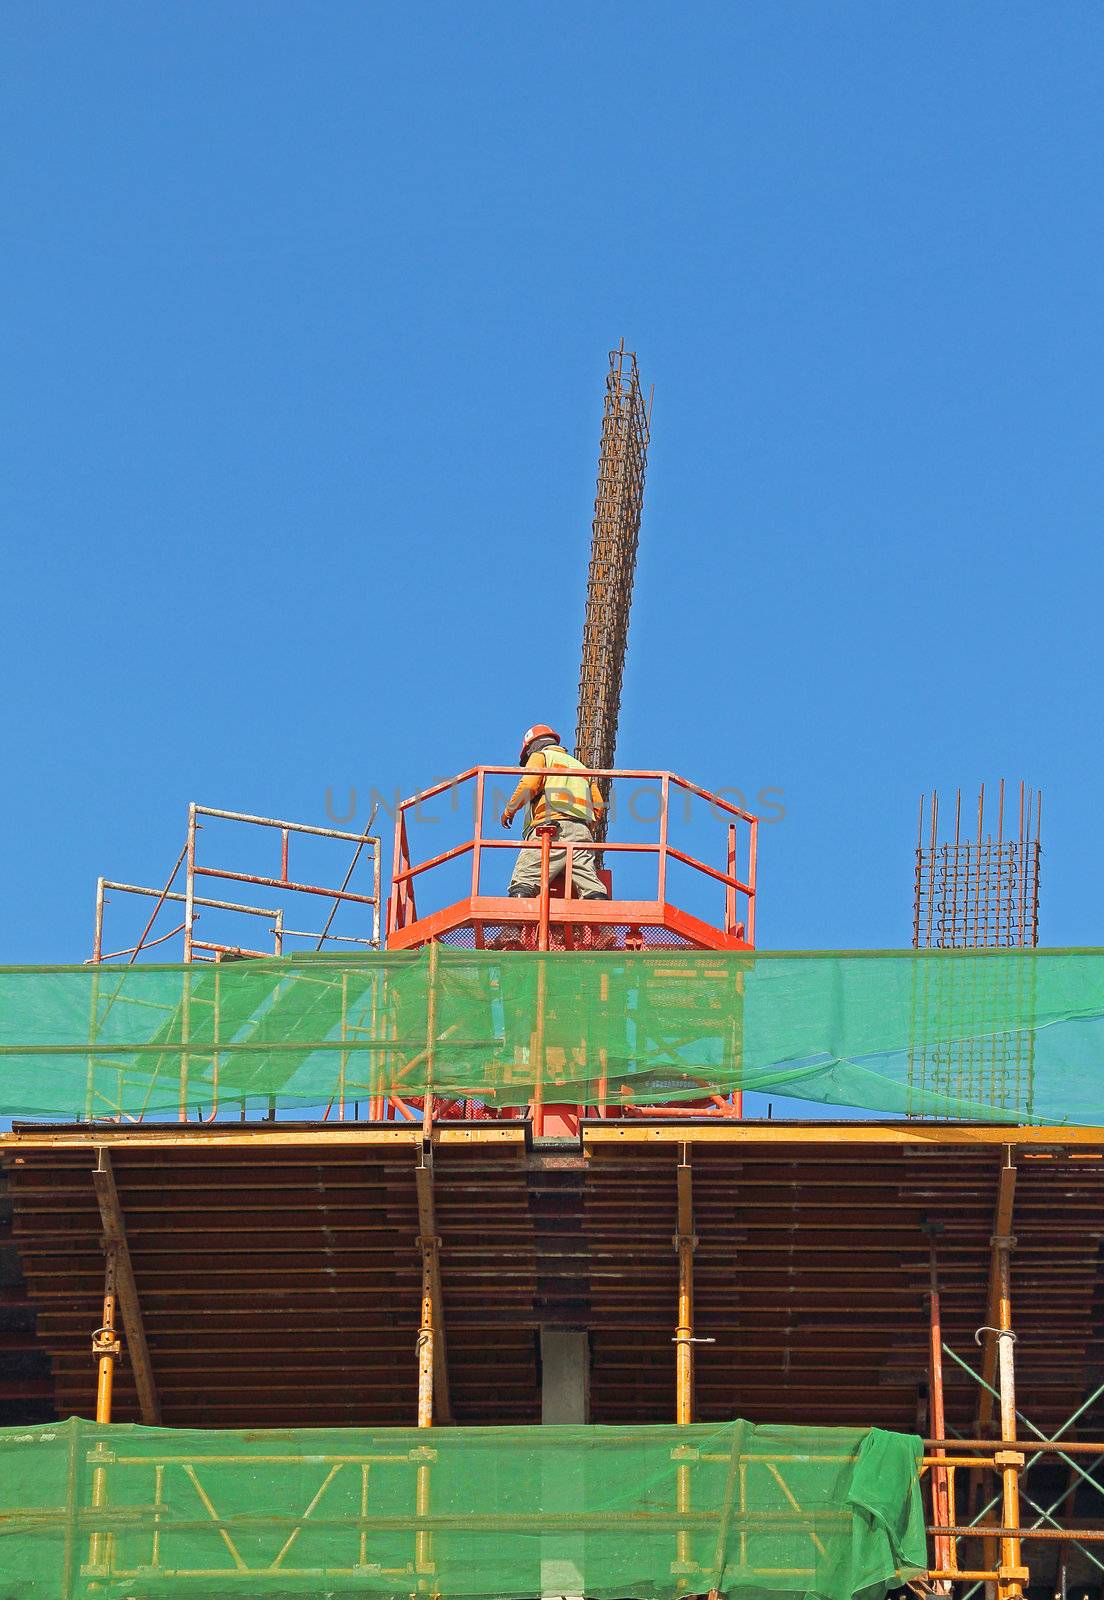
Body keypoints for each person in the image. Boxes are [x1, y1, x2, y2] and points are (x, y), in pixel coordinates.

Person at [500, 724, 609, 900]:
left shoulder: (541, 756)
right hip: (581, 832)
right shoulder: (581, 767)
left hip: (549, 831)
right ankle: (601, 921)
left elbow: (528, 785)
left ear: (532, 746)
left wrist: (509, 810)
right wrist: (585, 828)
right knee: (591, 887)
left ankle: (515, 924)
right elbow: (598, 805)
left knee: (524, 881)